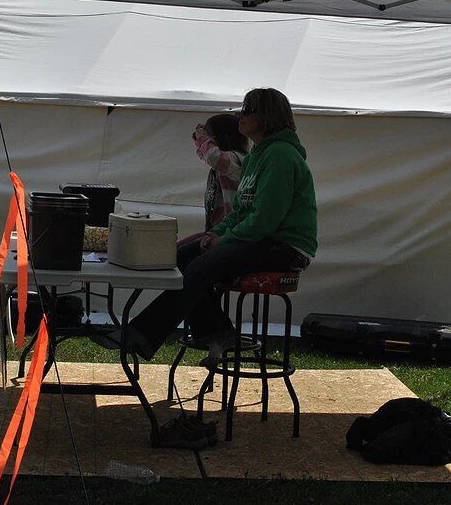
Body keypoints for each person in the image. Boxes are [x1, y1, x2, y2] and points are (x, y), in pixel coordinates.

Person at [125, 88, 317, 360]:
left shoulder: (281, 156)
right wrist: (217, 232)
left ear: (267, 117)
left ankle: (141, 336)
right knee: (180, 258)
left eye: (247, 110)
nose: (241, 115)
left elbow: (265, 221)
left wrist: (223, 240)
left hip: (285, 246)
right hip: (262, 239)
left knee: (203, 266)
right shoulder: (256, 157)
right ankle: (217, 331)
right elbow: (241, 212)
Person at [193, 113, 248, 232]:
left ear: (224, 137)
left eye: (210, 138)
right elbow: (205, 155)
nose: (208, 142)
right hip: (218, 227)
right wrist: (199, 139)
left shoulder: (236, 159)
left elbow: (212, 156)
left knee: (182, 251)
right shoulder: (224, 163)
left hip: (230, 228)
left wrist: (202, 139)